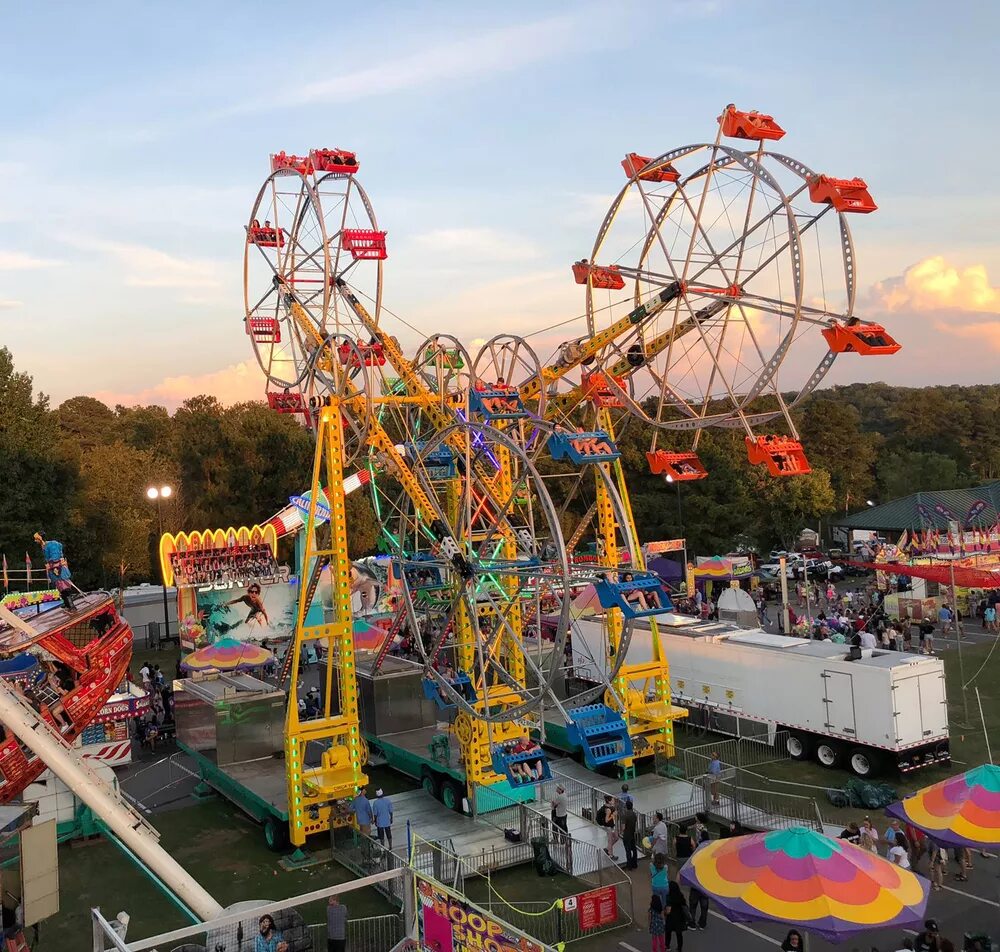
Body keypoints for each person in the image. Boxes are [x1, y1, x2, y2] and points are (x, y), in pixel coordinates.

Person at [663, 880, 688, 952]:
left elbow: (668, 910)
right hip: (679, 917)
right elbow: (684, 904)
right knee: (679, 934)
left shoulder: (669, 897)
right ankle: (679, 948)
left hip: (671, 918)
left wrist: (665, 913)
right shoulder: (680, 896)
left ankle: (667, 946)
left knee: (668, 932)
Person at [621, 800, 638, 869]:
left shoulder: (625, 815)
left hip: (627, 835)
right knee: (634, 849)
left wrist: (621, 831)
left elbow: (623, 827)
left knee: (628, 850)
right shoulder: (634, 814)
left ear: (626, 807)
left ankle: (629, 865)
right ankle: (635, 863)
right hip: (632, 833)